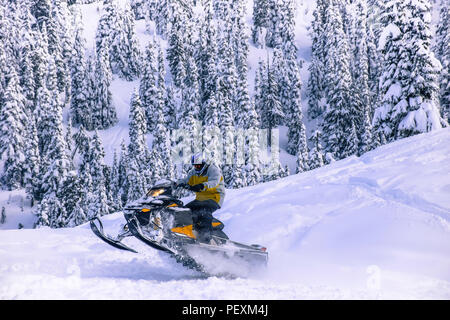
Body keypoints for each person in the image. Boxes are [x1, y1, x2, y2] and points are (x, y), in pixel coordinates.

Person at [176, 152, 225, 244]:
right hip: (200, 200)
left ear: (205, 164)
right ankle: (185, 233)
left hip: (214, 198)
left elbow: (214, 182)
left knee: (203, 212)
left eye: (199, 166)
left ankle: (206, 238)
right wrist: (177, 184)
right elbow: (186, 180)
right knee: (183, 211)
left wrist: (202, 186)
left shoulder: (213, 170)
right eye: (195, 166)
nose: (197, 168)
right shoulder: (193, 173)